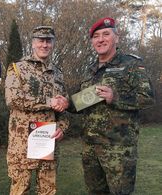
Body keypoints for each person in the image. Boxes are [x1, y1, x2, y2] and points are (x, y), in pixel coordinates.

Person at [65, 17, 155, 195]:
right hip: (90, 148)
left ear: (117, 37)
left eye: (106, 34)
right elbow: (80, 103)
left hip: (118, 150)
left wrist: (116, 97)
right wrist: (66, 102)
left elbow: (148, 97)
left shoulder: (131, 64)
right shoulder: (90, 70)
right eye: (96, 36)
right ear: (92, 41)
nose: (100, 39)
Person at [5, 26, 69, 195]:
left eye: (48, 41)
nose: (44, 45)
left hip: (47, 142)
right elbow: (13, 99)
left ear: (53, 44)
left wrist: (62, 127)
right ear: (33, 43)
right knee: (20, 190)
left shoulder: (58, 74)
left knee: (48, 191)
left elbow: (63, 108)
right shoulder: (18, 69)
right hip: (22, 145)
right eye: (40, 40)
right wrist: (49, 101)